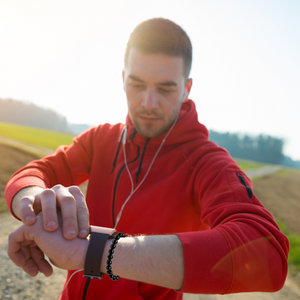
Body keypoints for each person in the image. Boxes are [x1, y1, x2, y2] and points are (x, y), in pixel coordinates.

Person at [6, 18, 289, 300]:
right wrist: (33, 205)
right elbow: (37, 172)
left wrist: (96, 252)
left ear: (186, 89)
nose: (148, 103)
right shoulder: (101, 139)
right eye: (137, 84)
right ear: (123, 79)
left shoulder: (206, 162)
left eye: (165, 89)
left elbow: (267, 255)